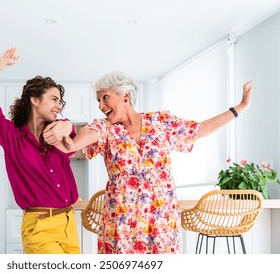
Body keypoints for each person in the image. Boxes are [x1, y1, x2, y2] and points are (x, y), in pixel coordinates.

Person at [53, 71, 252, 254]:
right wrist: (64, 131)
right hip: (122, 223)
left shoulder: (161, 122)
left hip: (161, 219)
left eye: (105, 97)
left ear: (126, 96)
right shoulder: (105, 128)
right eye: (98, 100)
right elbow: (75, 142)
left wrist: (240, 107)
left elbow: (200, 129)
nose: (101, 105)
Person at [0, 48, 80, 254]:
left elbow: (79, 139)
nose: (59, 105)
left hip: (68, 223)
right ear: (35, 100)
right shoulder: (10, 136)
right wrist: (0, 63)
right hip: (40, 226)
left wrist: (69, 126)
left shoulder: (58, 133)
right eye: (54, 99)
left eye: (60, 101)